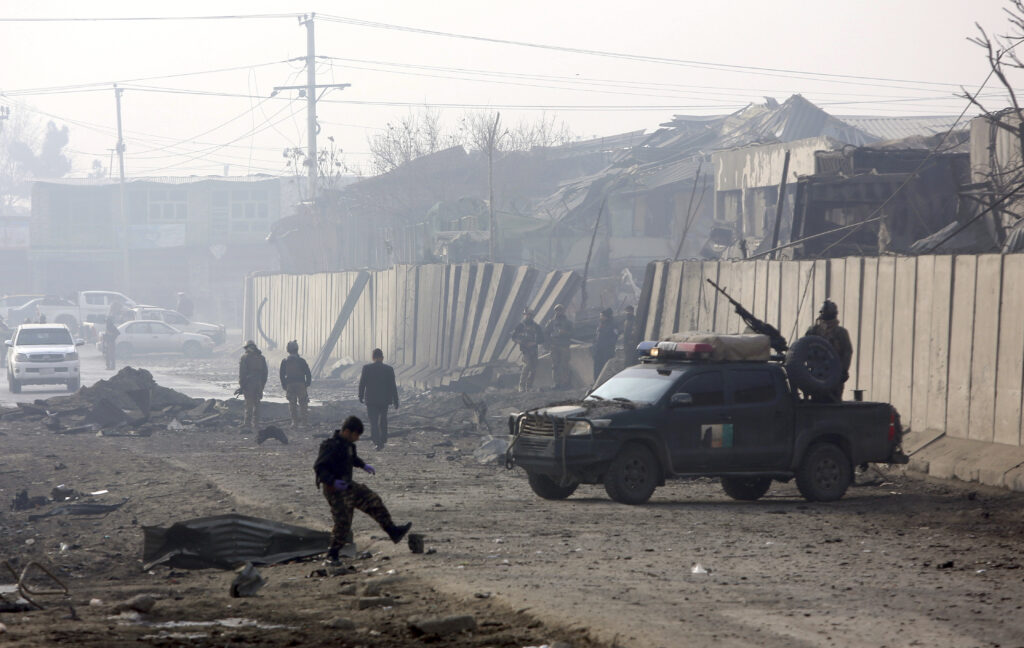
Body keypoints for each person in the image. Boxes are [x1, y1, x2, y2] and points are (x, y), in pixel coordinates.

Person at [313, 416, 412, 564]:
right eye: (356, 435)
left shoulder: (349, 445)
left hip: (348, 485)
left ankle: (393, 531)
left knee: (373, 500)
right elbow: (319, 467)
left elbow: (352, 459)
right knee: (343, 522)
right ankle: (332, 554)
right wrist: (332, 481)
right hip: (334, 489)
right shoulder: (330, 446)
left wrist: (363, 465)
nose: (357, 439)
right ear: (347, 431)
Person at [805, 300, 853, 402]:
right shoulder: (814, 330)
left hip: (834, 374)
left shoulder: (840, 333)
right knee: (816, 401)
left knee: (833, 403)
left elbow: (847, 353)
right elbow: (804, 348)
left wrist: (843, 371)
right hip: (817, 373)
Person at [358, 348, 400, 450]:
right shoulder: (389, 369)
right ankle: (383, 439)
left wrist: (360, 395)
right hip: (384, 400)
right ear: (382, 358)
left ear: (373, 358)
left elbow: (362, 383)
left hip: (371, 400)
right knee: (383, 420)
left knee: (373, 422)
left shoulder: (366, 368)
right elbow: (393, 386)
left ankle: (377, 442)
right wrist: (396, 400)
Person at [280, 340, 312, 428]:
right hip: (301, 384)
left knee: (292, 404)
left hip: (290, 385)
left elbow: (282, 375)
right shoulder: (301, 360)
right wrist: (307, 383)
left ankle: (294, 423)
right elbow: (308, 373)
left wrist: (284, 385)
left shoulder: (284, 361)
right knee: (303, 403)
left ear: (288, 350)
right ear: (297, 349)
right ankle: (304, 423)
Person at [511, 308, 544, 392]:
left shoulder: (536, 327)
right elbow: (514, 337)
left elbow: (542, 338)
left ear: (532, 316)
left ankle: (529, 386)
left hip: (534, 349)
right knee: (527, 366)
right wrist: (521, 342)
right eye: (527, 314)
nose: (528, 316)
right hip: (525, 350)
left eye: (530, 315)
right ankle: (521, 386)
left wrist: (535, 343)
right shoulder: (520, 326)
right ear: (524, 315)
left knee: (533, 369)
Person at [238, 340, 269, 429]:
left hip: (248, 384)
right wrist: (262, 385)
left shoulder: (244, 357)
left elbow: (242, 373)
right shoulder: (261, 358)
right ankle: (256, 423)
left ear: (247, 348)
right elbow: (265, 373)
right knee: (257, 403)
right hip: (258, 383)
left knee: (249, 404)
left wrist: (242, 385)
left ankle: (247, 423)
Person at [544, 304, 573, 389]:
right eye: (557, 310)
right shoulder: (551, 322)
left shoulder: (568, 322)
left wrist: (565, 333)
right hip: (554, 346)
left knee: (565, 365)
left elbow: (573, 333)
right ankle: (556, 383)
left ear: (563, 311)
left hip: (564, 346)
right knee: (555, 365)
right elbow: (546, 333)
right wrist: (548, 343)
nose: (558, 312)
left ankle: (565, 383)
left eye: (560, 310)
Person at [593, 307, 619, 382]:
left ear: (606, 317)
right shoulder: (600, 325)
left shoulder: (613, 325)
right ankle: (597, 381)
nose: (600, 317)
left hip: (607, 350)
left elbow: (615, 336)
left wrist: (609, 345)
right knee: (597, 366)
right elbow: (596, 336)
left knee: (606, 366)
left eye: (602, 316)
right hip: (598, 349)